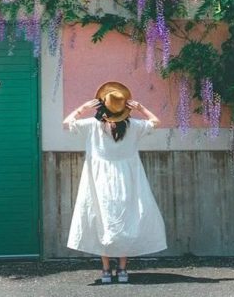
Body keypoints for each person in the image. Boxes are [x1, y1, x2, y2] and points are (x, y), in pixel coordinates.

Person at [64, 81, 167, 284]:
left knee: (103, 221)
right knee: (126, 219)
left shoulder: (92, 126)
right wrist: (140, 108)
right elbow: (156, 122)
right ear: (123, 109)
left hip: (99, 180)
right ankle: (122, 270)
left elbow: (67, 122)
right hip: (127, 179)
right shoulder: (134, 126)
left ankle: (105, 271)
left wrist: (84, 107)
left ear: (103, 106)